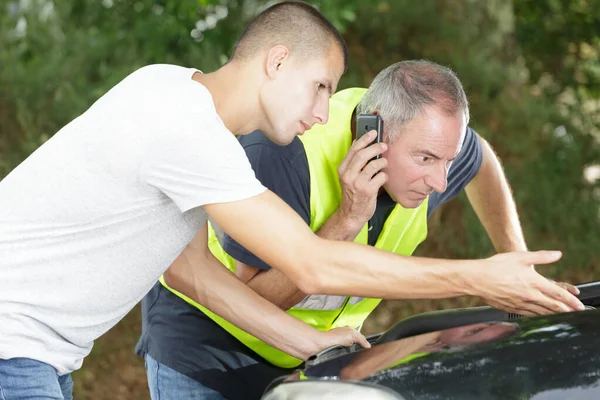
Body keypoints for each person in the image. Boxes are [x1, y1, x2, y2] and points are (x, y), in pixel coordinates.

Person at [0, 2, 581, 398]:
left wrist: (307, 341)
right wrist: (481, 278)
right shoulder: (184, 129)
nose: (326, 111)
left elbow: (189, 272)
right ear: (277, 62)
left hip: (39, 354)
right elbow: (310, 262)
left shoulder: (174, 95)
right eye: (321, 86)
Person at [135, 60, 582, 399]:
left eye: (447, 159)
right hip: (207, 352)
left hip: (317, 358)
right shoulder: (283, 153)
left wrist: (516, 260)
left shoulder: (436, 150)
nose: (441, 182)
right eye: (425, 159)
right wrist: (346, 221)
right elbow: (253, 298)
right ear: (374, 132)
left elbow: (479, 157)